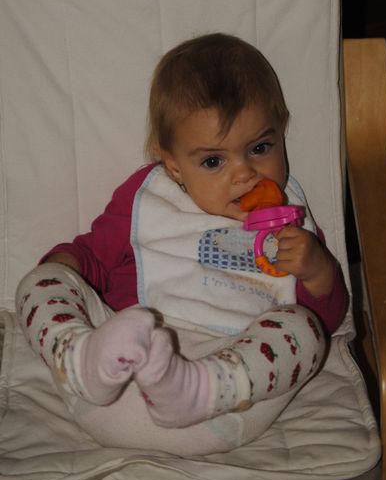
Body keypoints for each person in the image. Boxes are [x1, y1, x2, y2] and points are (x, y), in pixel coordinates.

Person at [16, 33, 348, 455]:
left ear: (282, 130)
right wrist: (64, 271)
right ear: (172, 165)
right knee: (41, 279)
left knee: (304, 329)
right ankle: (79, 357)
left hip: (228, 399)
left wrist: (318, 272)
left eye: (260, 148)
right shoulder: (149, 198)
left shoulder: (291, 221)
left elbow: (326, 319)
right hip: (115, 383)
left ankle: (192, 387)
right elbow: (92, 257)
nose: (244, 174)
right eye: (213, 161)